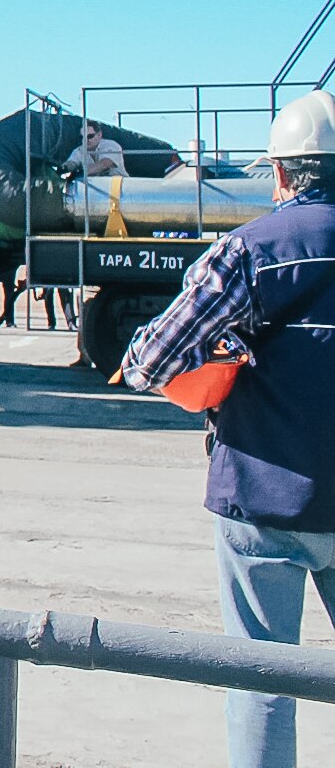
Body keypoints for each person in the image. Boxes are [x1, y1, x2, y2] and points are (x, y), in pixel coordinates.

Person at [121, 88, 335, 768]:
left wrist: (227, 351)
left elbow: (150, 363)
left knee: (262, 682)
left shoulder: (248, 250)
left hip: (262, 499)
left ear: (281, 172)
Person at [62, 119, 128, 179]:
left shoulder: (111, 145)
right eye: (82, 137)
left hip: (118, 184)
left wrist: (81, 173)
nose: (86, 140)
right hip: (92, 185)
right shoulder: (78, 151)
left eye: (90, 136)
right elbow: (72, 162)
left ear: (99, 135)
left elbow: (105, 164)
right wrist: (64, 168)